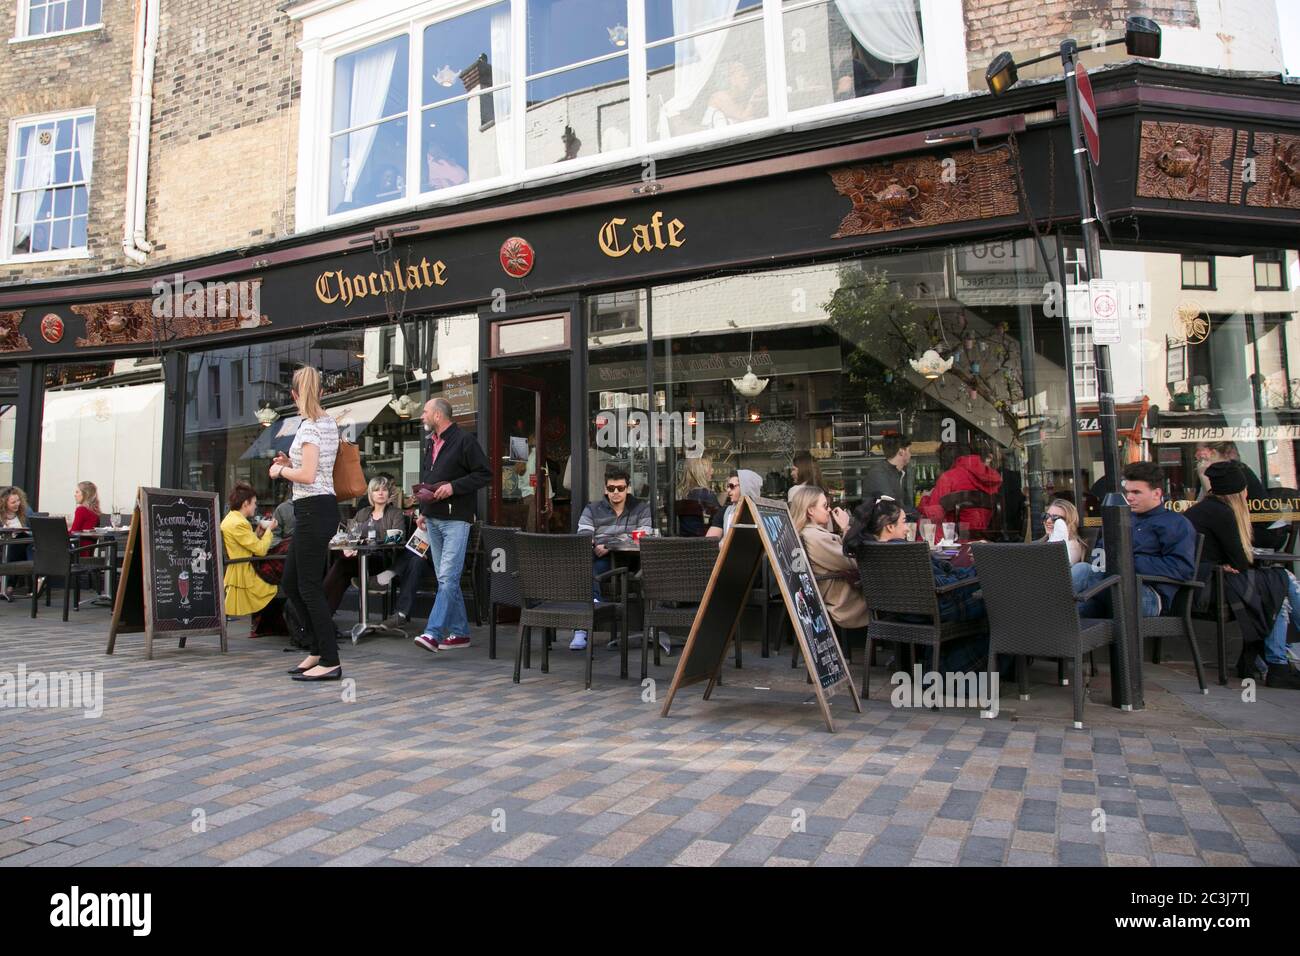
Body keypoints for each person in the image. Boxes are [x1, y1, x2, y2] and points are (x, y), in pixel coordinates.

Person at [843, 496, 993, 673]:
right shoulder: (904, 552)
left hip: (898, 615)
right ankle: (970, 667)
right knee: (998, 604)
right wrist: (981, 568)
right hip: (936, 612)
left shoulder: (867, 550)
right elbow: (941, 584)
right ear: (890, 527)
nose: (907, 528)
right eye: (904, 522)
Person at [1186, 462, 1300, 689]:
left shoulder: (1202, 510)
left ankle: (1274, 663)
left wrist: (1230, 563)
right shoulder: (1223, 514)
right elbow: (1241, 561)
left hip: (1203, 584)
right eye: (1245, 489)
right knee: (1281, 581)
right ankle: (1275, 664)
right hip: (1210, 589)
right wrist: (1229, 563)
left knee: (1277, 587)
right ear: (1239, 492)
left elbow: (1236, 561)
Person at [399, 398, 491, 653]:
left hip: (456, 521)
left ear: (438, 415)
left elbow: (485, 473)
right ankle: (460, 633)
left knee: (448, 577)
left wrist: (453, 487)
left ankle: (434, 632)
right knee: (444, 578)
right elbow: (430, 480)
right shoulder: (431, 443)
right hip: (434, 519)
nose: (422, 417)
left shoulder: (464, 441)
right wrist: (422, 511)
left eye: (425, 412)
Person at [270, 365, 343, 682]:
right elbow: (316, 468)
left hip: (314, 509)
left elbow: (309, 476)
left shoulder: (311, 427)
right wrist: (291, 461)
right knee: (291, 583)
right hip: (316, 508)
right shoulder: (327, 423)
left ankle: (330, 659)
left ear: (294, 395)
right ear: (323, 392)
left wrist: (281, 472)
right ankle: (316, 649)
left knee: (309, 587)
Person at [1072, 461, 1196, 619]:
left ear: (1157, 494)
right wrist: (1106, 561)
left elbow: (1182, 568)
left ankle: (1038, 607)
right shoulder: (1120, 519)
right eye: (1127, 492)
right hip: (1111, 587)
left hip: (1149, 596)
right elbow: (1098, 556)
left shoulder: (1175, 523)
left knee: (1082, 571)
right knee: (1072, 612)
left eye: (1136, 492)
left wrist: (1127, 562)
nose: (1129, 497)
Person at [572, 466, 653, 650]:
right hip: (601, 561)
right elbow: (583, 534)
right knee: (586, 565)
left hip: (630, 562)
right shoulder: (592, 509)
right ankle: (588, 616)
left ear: (628, 488)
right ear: (605, 489)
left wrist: (607, 545)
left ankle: (584, 625)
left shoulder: (641, 508)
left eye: (620, 488)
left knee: (591, 568)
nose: (615, 492)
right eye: (611, 488)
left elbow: (643, 535)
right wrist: (595, 544)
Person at [789, 485, 868, 639]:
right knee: (898, 605)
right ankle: (914, 662)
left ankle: (912, 661)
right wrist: (846, 527)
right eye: (825, 506)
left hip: (828, 593)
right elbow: (852, 562)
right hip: (843, 599)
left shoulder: (804, 533)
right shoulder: (816, 537)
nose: (829, 510)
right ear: (810, 510)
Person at [322, 477, 406, 613]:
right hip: (361, 559)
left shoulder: (395, 513)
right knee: (341, 572)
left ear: (388, 493)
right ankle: (324, 618)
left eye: (384, 490)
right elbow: (350, 535)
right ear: (370, 494)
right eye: (376, 490)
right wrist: (351, 548)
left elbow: (397, 538)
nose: (380, 493)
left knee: (342, 566)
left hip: (381, 561)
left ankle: (318, 613)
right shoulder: (363, 513)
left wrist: (370, 541)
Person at [220, 481, 283, 633]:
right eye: (254, 503)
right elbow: (260, 550)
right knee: (284, 580)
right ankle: (280, 626)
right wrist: (270, 531)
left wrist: (259, 532)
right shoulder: (239, 523)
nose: (255, 506)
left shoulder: (233, 519)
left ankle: (271, 626)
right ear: (246, 503)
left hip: (240, 567)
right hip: (245, 573)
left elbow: (246, 545)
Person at [919, 442, 1003, 535]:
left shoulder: (948, 478)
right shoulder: (990, 477)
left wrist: (925, 499)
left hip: (954, 540)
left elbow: (934, 517)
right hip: (986, 538)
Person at [862, 433, 914, 516]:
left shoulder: (898, 473)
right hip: (880, 527)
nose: (911, 455)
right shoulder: (878, 474)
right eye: (909, 451)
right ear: (901, 452)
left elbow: (905, 506)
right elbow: (892, 507)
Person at [706, 469, 762, 538]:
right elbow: (710, 541)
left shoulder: (762, 512)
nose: (728, 490)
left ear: (745, 487)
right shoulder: (724, 512)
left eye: (732, 486)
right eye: (727, 486)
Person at [0, 486, 32, 598]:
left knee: (19, 542)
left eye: (18, 500)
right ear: (4, 503)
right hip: (2, 545)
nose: (17, 504)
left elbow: (32, 531)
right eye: (13, 502)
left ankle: (9, 585)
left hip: (20, 544)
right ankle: (8, 586)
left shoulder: (24, 514)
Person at [676, 455, 718, 537]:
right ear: (701, 472)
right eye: (710, 468)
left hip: (684, 541)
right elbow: (718, 521)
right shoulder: (707, 494)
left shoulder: (682, 494)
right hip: (704, 542)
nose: (712, 471)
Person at [1041, 498, 1087, 565]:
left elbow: (1055, 568)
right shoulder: (1043, 541)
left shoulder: (1072, 546)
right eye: (1046, 516)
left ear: (1070, 521)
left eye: (1056, 518)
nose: (1048, 521)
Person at [69, 480, 102, 558]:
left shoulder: (81, 510)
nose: (75, 495)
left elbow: (73, 532)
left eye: (77, 492)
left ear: (85, 494)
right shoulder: (95, 512)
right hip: (88, 554)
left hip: (78, 553)